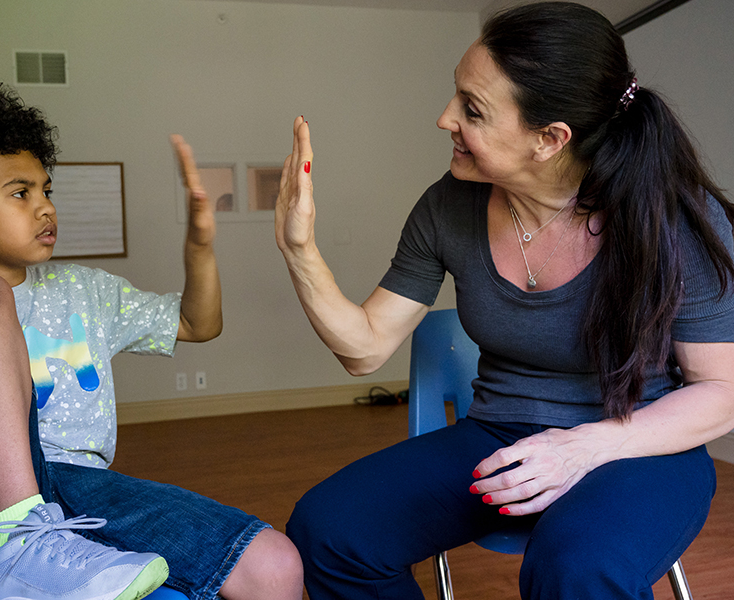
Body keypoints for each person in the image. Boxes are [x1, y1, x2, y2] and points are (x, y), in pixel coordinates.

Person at [275, 3, 734, 599]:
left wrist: (583, 447)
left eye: (472, 109)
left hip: (640, 442)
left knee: (576, 568)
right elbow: (364, 350)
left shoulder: (674, 218)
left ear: (549, 139)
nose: (444, 119)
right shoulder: (449, 206)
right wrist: (299, 249)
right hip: (500, 435)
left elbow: (722, 392)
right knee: (330, 531)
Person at [0, 79, 303, 600]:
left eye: (46, 190)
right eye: (20, 193)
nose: (45, 208)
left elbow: (198, 323)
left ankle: (42, 546)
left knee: (275, 565)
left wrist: (199, 247)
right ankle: (20, 540)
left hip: (83, 492)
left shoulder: (86, 291)